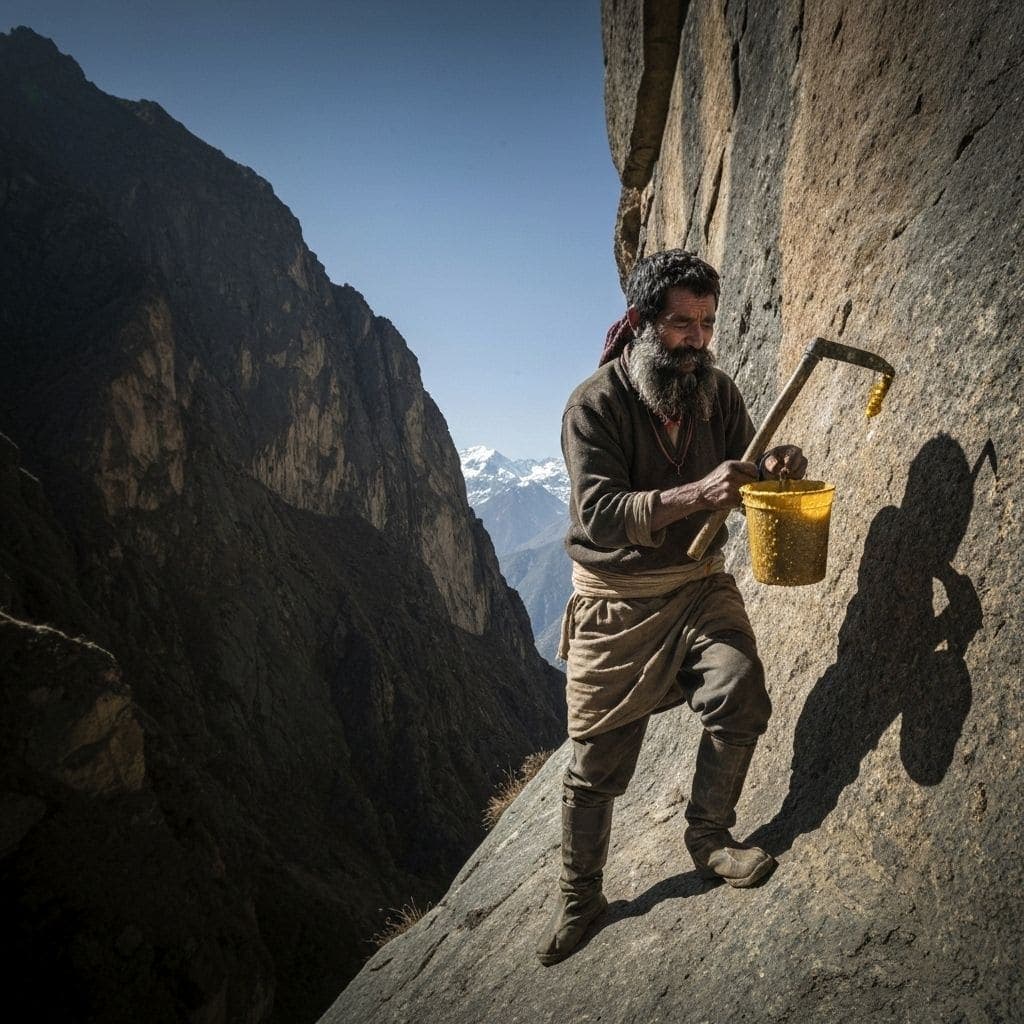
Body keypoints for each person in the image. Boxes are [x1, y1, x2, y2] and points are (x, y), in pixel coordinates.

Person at [536, 249, 806, 966]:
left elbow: (742, 476)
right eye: (682, 323)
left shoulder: (716, 394)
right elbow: (598, 515)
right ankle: (579, 897)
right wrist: (696, 495)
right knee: (595, 764)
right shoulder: (593, 404)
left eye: (707, 324)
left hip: (696, 586)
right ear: (643, 322)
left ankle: (710, 837)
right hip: (617, 601)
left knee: (739, 689)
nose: (696, 339)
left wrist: (772, 469)